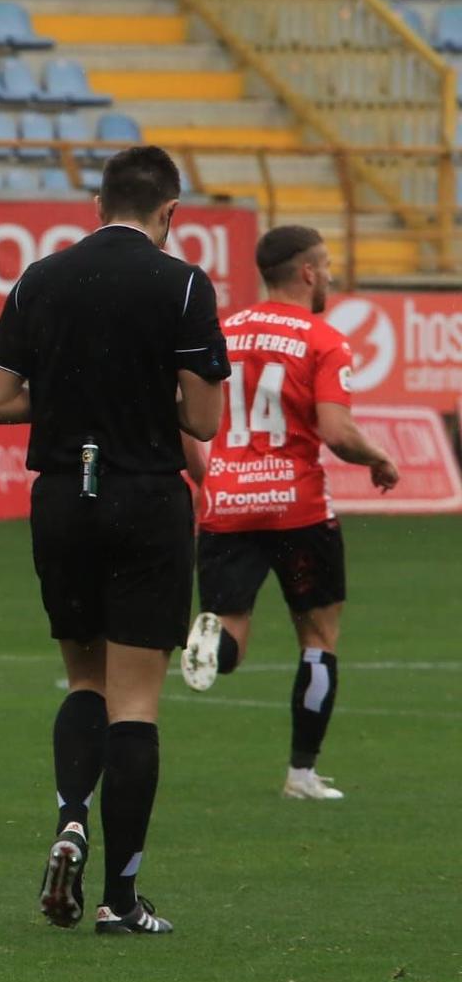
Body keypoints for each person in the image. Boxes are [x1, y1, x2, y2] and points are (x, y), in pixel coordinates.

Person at [0, 145, 231, 937]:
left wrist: (67, 400)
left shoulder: (39, 278)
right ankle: (122, 898)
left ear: (96, 205)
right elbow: (204, 420)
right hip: (146, 498)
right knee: (137, 702)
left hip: (61, 498)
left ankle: (68, 817)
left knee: (83, 683)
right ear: (170, 214)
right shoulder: (184, 283)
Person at [179, 226, 399, 799]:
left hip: (228, 503)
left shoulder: (221, 332)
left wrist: (209, 476)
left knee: (230, 642)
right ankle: (301, 773)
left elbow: (177, 411)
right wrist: (377, 458)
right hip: (297, 506)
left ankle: (207, 640)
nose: (329, 275)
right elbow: (336, 431)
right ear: (306, 272)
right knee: (319, 637)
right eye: (325, 266)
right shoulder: (325, 340)